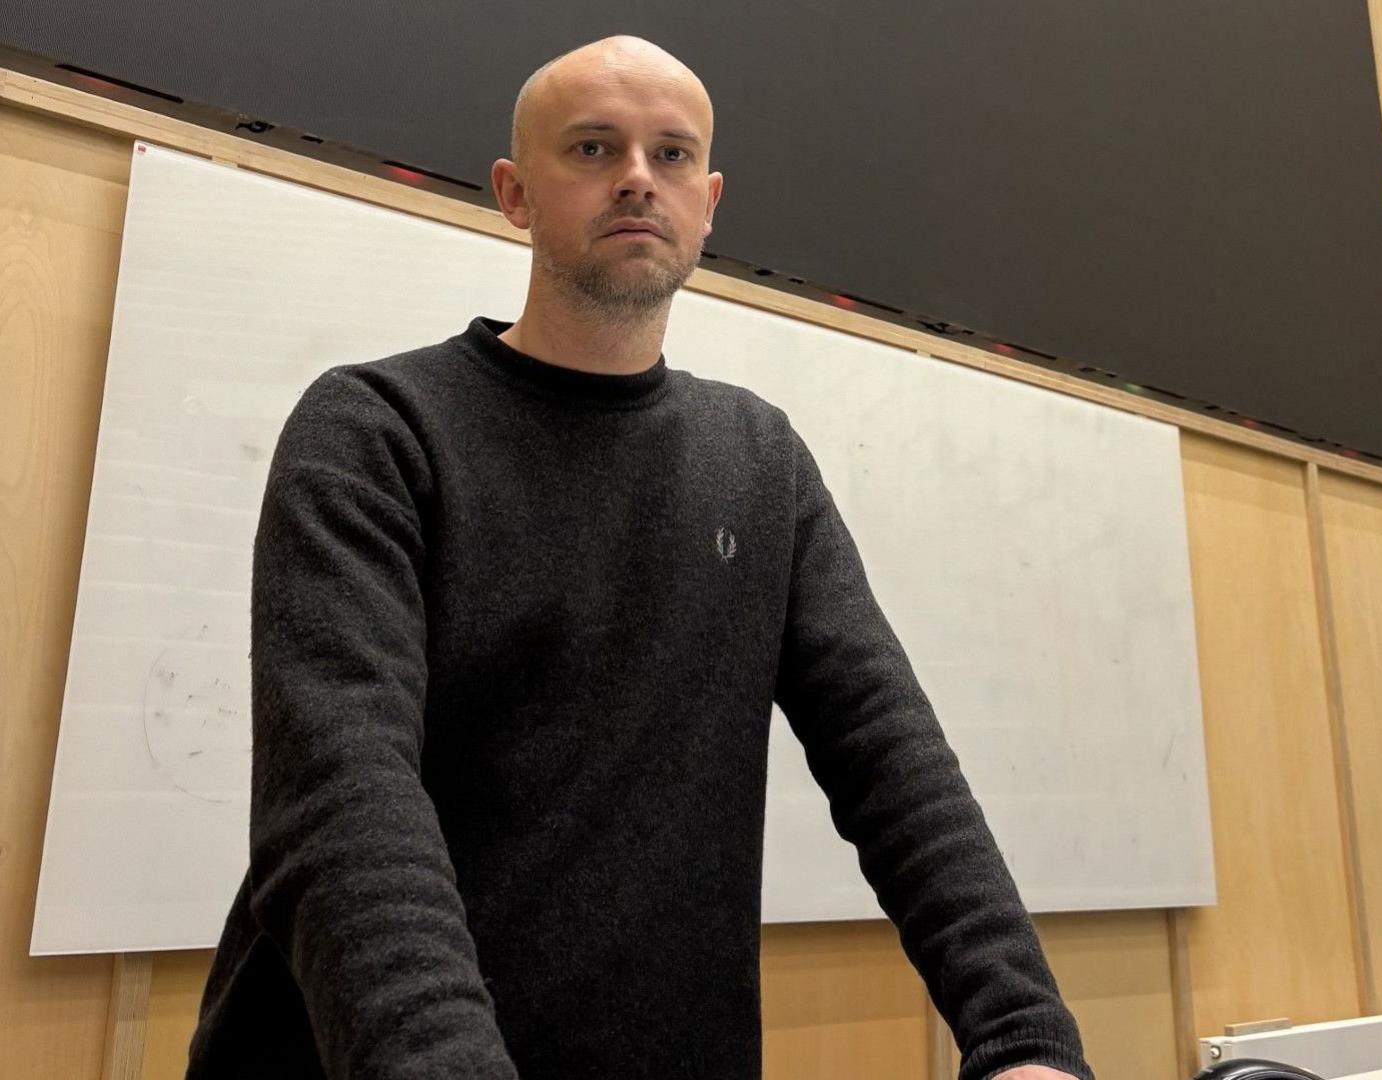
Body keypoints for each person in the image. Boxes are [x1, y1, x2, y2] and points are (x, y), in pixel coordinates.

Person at [183, 34, 1093, 1080]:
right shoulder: (377, 431)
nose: (635, 180)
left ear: (707, 203)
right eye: (591, 148)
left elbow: (897, 768)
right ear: (515, 193)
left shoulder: (758, 463)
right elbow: (342, 806)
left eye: (669, 156)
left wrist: (1025, 1036)